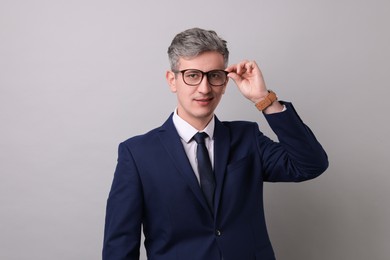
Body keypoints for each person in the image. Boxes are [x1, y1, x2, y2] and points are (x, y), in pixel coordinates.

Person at [102, 27, 328, 260]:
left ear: (225, 80)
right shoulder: (138, 154)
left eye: (214, 76)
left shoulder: (247, 137)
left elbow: (310, 164)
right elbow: (119, 246)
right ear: (172, 80)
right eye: (192, 75)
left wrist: (264, 99)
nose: (204, 88)